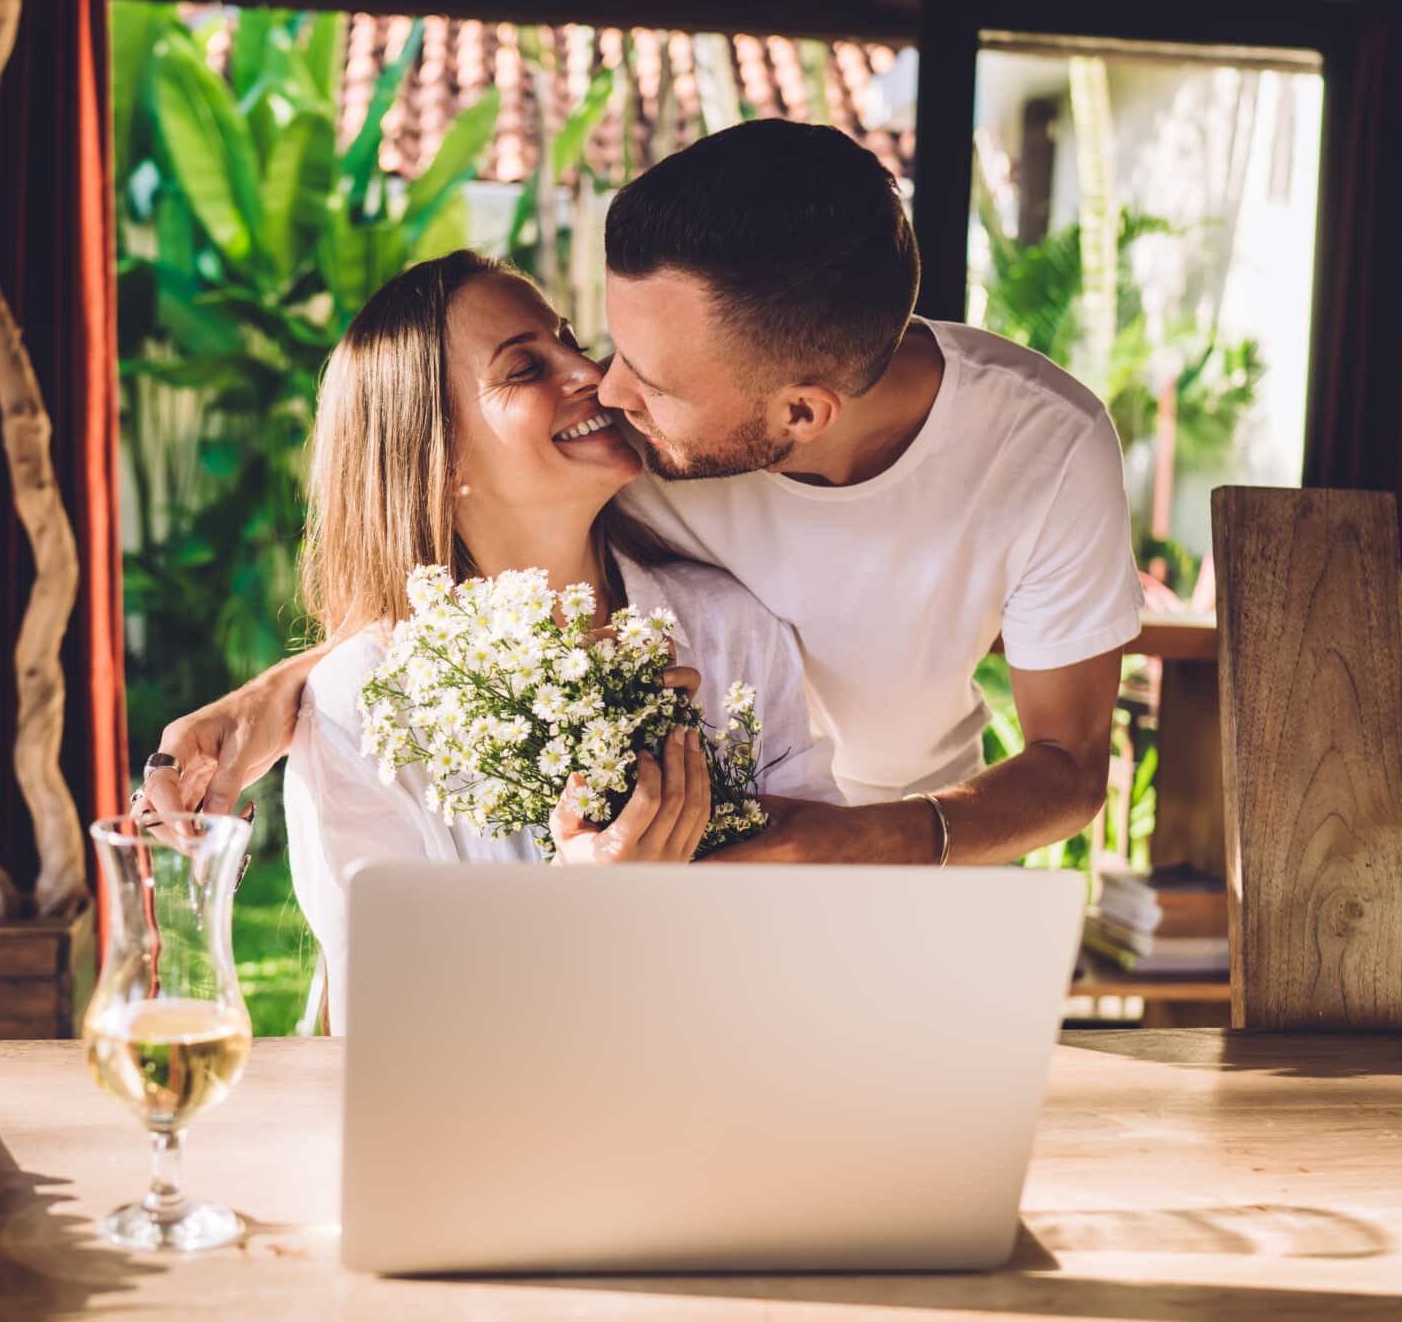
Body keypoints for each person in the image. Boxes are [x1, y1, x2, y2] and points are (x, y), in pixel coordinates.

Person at [144, 117, 1141, 877]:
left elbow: (1064, 761)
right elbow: (475, 545)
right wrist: (290, 691)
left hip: (903, 860)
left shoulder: (1042, 448)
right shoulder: (629, 444)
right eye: (601, 340)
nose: (606, 389)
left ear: (798, 412)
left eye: (653, 382)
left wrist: (837, 841)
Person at [275, 250, 840, 1031]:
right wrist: (573, 916)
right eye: (523, 368)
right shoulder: (360, 704)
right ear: (437, 461)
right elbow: (381, 1025)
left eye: (571, 339)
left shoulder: (730, 630)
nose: (593, 374)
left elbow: (829, 919)